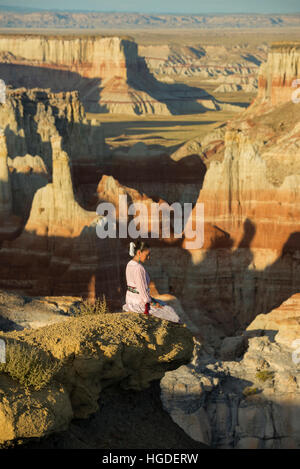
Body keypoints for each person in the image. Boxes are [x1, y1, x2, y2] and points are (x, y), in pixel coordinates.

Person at [122, 240, 182, 323]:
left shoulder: (129, 264)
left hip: (130, 300)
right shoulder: (139, 268)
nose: (148, 257)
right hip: (139, 303)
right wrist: (153, 304)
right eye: (147, 255)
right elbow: (143, 293)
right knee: (170, 312)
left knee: (161, 303)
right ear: (139, 252)